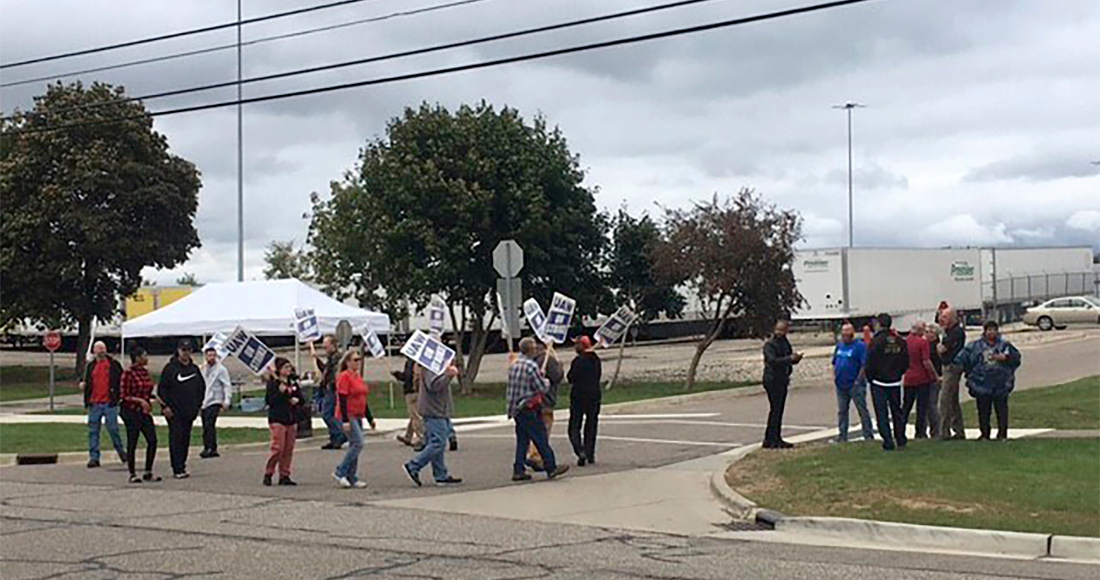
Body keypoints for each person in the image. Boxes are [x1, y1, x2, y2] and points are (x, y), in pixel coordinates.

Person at [507, 337, 570, 482]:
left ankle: (518, 469)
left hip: (517, 408)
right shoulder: (531, 366)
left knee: (522, 440)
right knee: (540, 437)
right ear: (531, 349)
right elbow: (542, 387)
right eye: (534, 347)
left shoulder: (514, 365)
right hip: (530, 407)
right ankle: (551, 467)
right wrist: (544, 379)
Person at [956, 321, 1021, 440]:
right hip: (982, 383)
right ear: (984, 331)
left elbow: (1016, 358)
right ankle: (985, 434)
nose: (991, 332)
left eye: (994, 330)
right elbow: (961, 359)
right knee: (983, 411)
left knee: (1001, 410)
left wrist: (1006, 358)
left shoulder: (1004, 345)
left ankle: (1002, 434)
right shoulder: (974, 346)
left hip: (1001, 383)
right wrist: (970, 374)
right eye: (989, 330)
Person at [402, 362, 463, 487]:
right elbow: (434, 386)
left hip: (440, 409)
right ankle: (414, 465)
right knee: (438, 442)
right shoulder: (431, 367)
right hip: (434, 410)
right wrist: (448, 376)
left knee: (436, 443)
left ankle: (441, 475)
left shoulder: (436, 366)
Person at [158, 339, 206, 479]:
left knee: (185, 438)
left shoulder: (194, 369)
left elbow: (201, 389)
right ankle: (177, 467)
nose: (186, 353)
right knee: (176, 438)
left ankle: (182, 465)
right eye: (183, 350)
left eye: (188, 350)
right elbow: (162, 390)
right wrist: (165, 407)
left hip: (189, 411)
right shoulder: (170, 368)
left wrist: (197, 405)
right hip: (174, 412)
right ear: (178, 351)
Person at [865, 313, 909, 451]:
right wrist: (898, 373)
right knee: (897, 412)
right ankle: (900, 438)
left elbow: (870, 362)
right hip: (895, 381)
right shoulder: (900, 341)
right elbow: (906, 361)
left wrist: (870, 378)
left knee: (882, 413)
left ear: (879, 324)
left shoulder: (876, 341)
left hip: (879, 382)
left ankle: (888, 441)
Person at [333, 349, 376, 488]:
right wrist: (345, 420)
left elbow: (363, 397)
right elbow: (342, 398)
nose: (358, 362)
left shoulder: (357, 376)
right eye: (355, 360)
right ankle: (341, 471)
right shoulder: (344, 377)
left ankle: (352, 476)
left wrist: (370, 418)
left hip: (358, 414)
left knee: (354, 445)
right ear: (347, 362)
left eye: (359, 359)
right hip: (348, 414)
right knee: (358, 443)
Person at [80, 341, 127, 468]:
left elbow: (122, 380)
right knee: (93, 431)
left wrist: (119, 397)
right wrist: (83, 386)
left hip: (110, 403)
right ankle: (94, 457)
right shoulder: (90, 366)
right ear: (94, 351)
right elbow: (85, 380)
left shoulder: (114, 365)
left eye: (103, 348)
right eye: (98, 348)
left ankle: (122, 452)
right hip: (94, 403)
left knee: (113, 429)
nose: (101, 351)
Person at [119, 346, 161, 483]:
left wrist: (158, 401)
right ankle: (132, 473)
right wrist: (140, 401)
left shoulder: (144, 372)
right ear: (137, 358)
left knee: (152, 440)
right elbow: (124, 395)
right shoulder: (128, 373)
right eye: (144, 355)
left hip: (144, 412)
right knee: (133, 441)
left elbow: (149, 391)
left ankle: (148, 471)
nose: (147, 358)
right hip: (131, 411)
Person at [761, 320, 803, 449]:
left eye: (783, 330)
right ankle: (772, 439)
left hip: (783, 379)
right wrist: (789, 359)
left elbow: (788, 358)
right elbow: (773, 361)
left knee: (778, 410)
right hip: (772, 380)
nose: (780, 333)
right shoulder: (770, 345)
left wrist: (795, 359)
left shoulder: (785, 343)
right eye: (778, 330)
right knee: (775, 409)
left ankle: (773, 438)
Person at [264, 357, 303, 486]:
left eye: (289, 367)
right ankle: (269, 472)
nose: (288, 369)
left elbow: (301, 398)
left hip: (291, 419)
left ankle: (284, 475)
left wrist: (297, 400)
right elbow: (270, 401)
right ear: (279, 370)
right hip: (278, 418)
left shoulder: (292, 382)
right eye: (285, 367)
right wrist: (280, 393)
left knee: (288, 449)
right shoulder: (273, 383)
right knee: (278, 448)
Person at [832, 323, 874, 442]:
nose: (844, 338)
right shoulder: (839, 346)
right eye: (843, 335)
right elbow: (835, 362)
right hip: (841, 384)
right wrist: (834, 376)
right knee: (842, 411)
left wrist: (858, 380)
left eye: (847, 335)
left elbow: (864, 365)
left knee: (862, 409)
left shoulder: (860, 346)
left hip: (855, 384)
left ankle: (868, 434)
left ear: (852, 335)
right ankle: (842, 435)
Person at [526, 341, 563, 471]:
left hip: (533, 400)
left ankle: (535, 453)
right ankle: (536, 456)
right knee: (544, 430)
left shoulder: (530, 361)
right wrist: (560, 367)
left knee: (536, 429)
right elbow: (557, 377)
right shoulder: (548, 361)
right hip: (546, 400)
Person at [567, 336, 602, 465]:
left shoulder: (578, 361)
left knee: (574, 426)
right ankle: (590, 453)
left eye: (577, 344)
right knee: (591, 424)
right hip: (594, 395)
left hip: (578, 396)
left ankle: (580, 450)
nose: (575, 347)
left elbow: (571, 377)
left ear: (582, 345)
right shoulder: (596, 360)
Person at [902, 321, 939, 439]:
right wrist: (934, 376)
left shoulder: (905, 342)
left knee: (906, 406)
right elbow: (926, 361)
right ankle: (920, 432)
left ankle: (900, 429)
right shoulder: (922, 343)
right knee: (921, 407)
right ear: (920, 330)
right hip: (922, 378)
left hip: (908, 378)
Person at [937, 307, 968, 440]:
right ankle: (959, 430)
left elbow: (942, 349)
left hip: (953, 367)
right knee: (953, 400)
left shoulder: (956, 332)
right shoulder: (947, 332)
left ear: (952, 318)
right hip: (946, 366)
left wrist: (939, 347)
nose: (941, 319)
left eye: (944, 317)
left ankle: (944, 431)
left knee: (944, 400)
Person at [311, 336, 347, 450]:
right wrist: (317, 360)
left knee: (328, 414)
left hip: (333, 389)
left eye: (326, 345)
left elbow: (336, 373)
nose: (324, 348)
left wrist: (332, 385)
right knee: (329, 414)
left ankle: (340, 434)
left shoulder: (337, 358)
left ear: (333, 345)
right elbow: (326, 370)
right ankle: (334, 438)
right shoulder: (331, 357)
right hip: (327, 389)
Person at [200, 347, 233, 459]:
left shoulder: (221, 369)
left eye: (213, 355)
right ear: (205, 356)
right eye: (209, 355)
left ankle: (211, 447)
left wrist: (226, 400)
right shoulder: (202, 368)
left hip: (215, 400)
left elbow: (227, 385)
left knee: (210, 424)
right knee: (205, 425)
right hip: (205, 400)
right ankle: (207, 447)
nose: (211, 358)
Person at [392, 357, 424, 449]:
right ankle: (408, 436)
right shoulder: (416, 361)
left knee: (415, 416)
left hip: (412, 391)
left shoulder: (412, 362)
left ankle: (421, 437)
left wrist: (399, 375)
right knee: (413, 414)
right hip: (417, 391)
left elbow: (408, 376)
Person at [924, 322, 944, 439]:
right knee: (927, 405)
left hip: (935, 378)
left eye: (931, 332)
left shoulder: (936, 347)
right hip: (926, 378)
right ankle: (931, 429)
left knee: (932, 404)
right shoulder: (925, 345)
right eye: (926, 332)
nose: (928, 335)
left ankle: (936, 430)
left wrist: (938, 376)